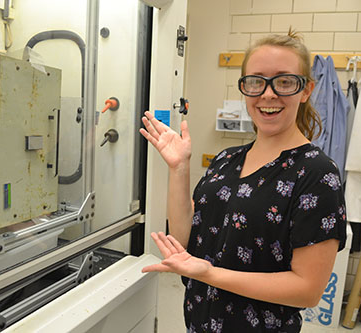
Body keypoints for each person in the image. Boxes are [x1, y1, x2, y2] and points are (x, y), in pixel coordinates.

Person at [139, 30, 347, 333]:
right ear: (245, 88)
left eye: (284, 81)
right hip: (198, 322)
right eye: (256, 81)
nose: (268, 93)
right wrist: (178, 169)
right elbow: (186, 241)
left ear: (306, 90)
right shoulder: (226, 160)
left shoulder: (316, 173)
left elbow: (308, 290)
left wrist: (210, 274)